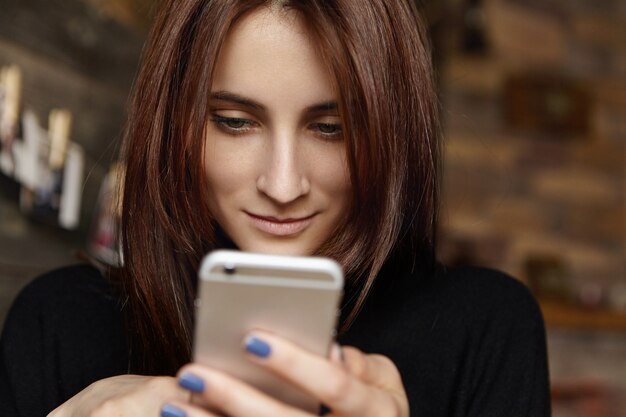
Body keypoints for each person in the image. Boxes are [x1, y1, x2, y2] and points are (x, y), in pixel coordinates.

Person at [0, 0, 551, 416]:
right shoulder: (59, 321)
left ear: (393, 131)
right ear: (172, 125)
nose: (283, 185)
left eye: (332, 129)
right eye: (235, 122)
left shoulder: (484, 327)